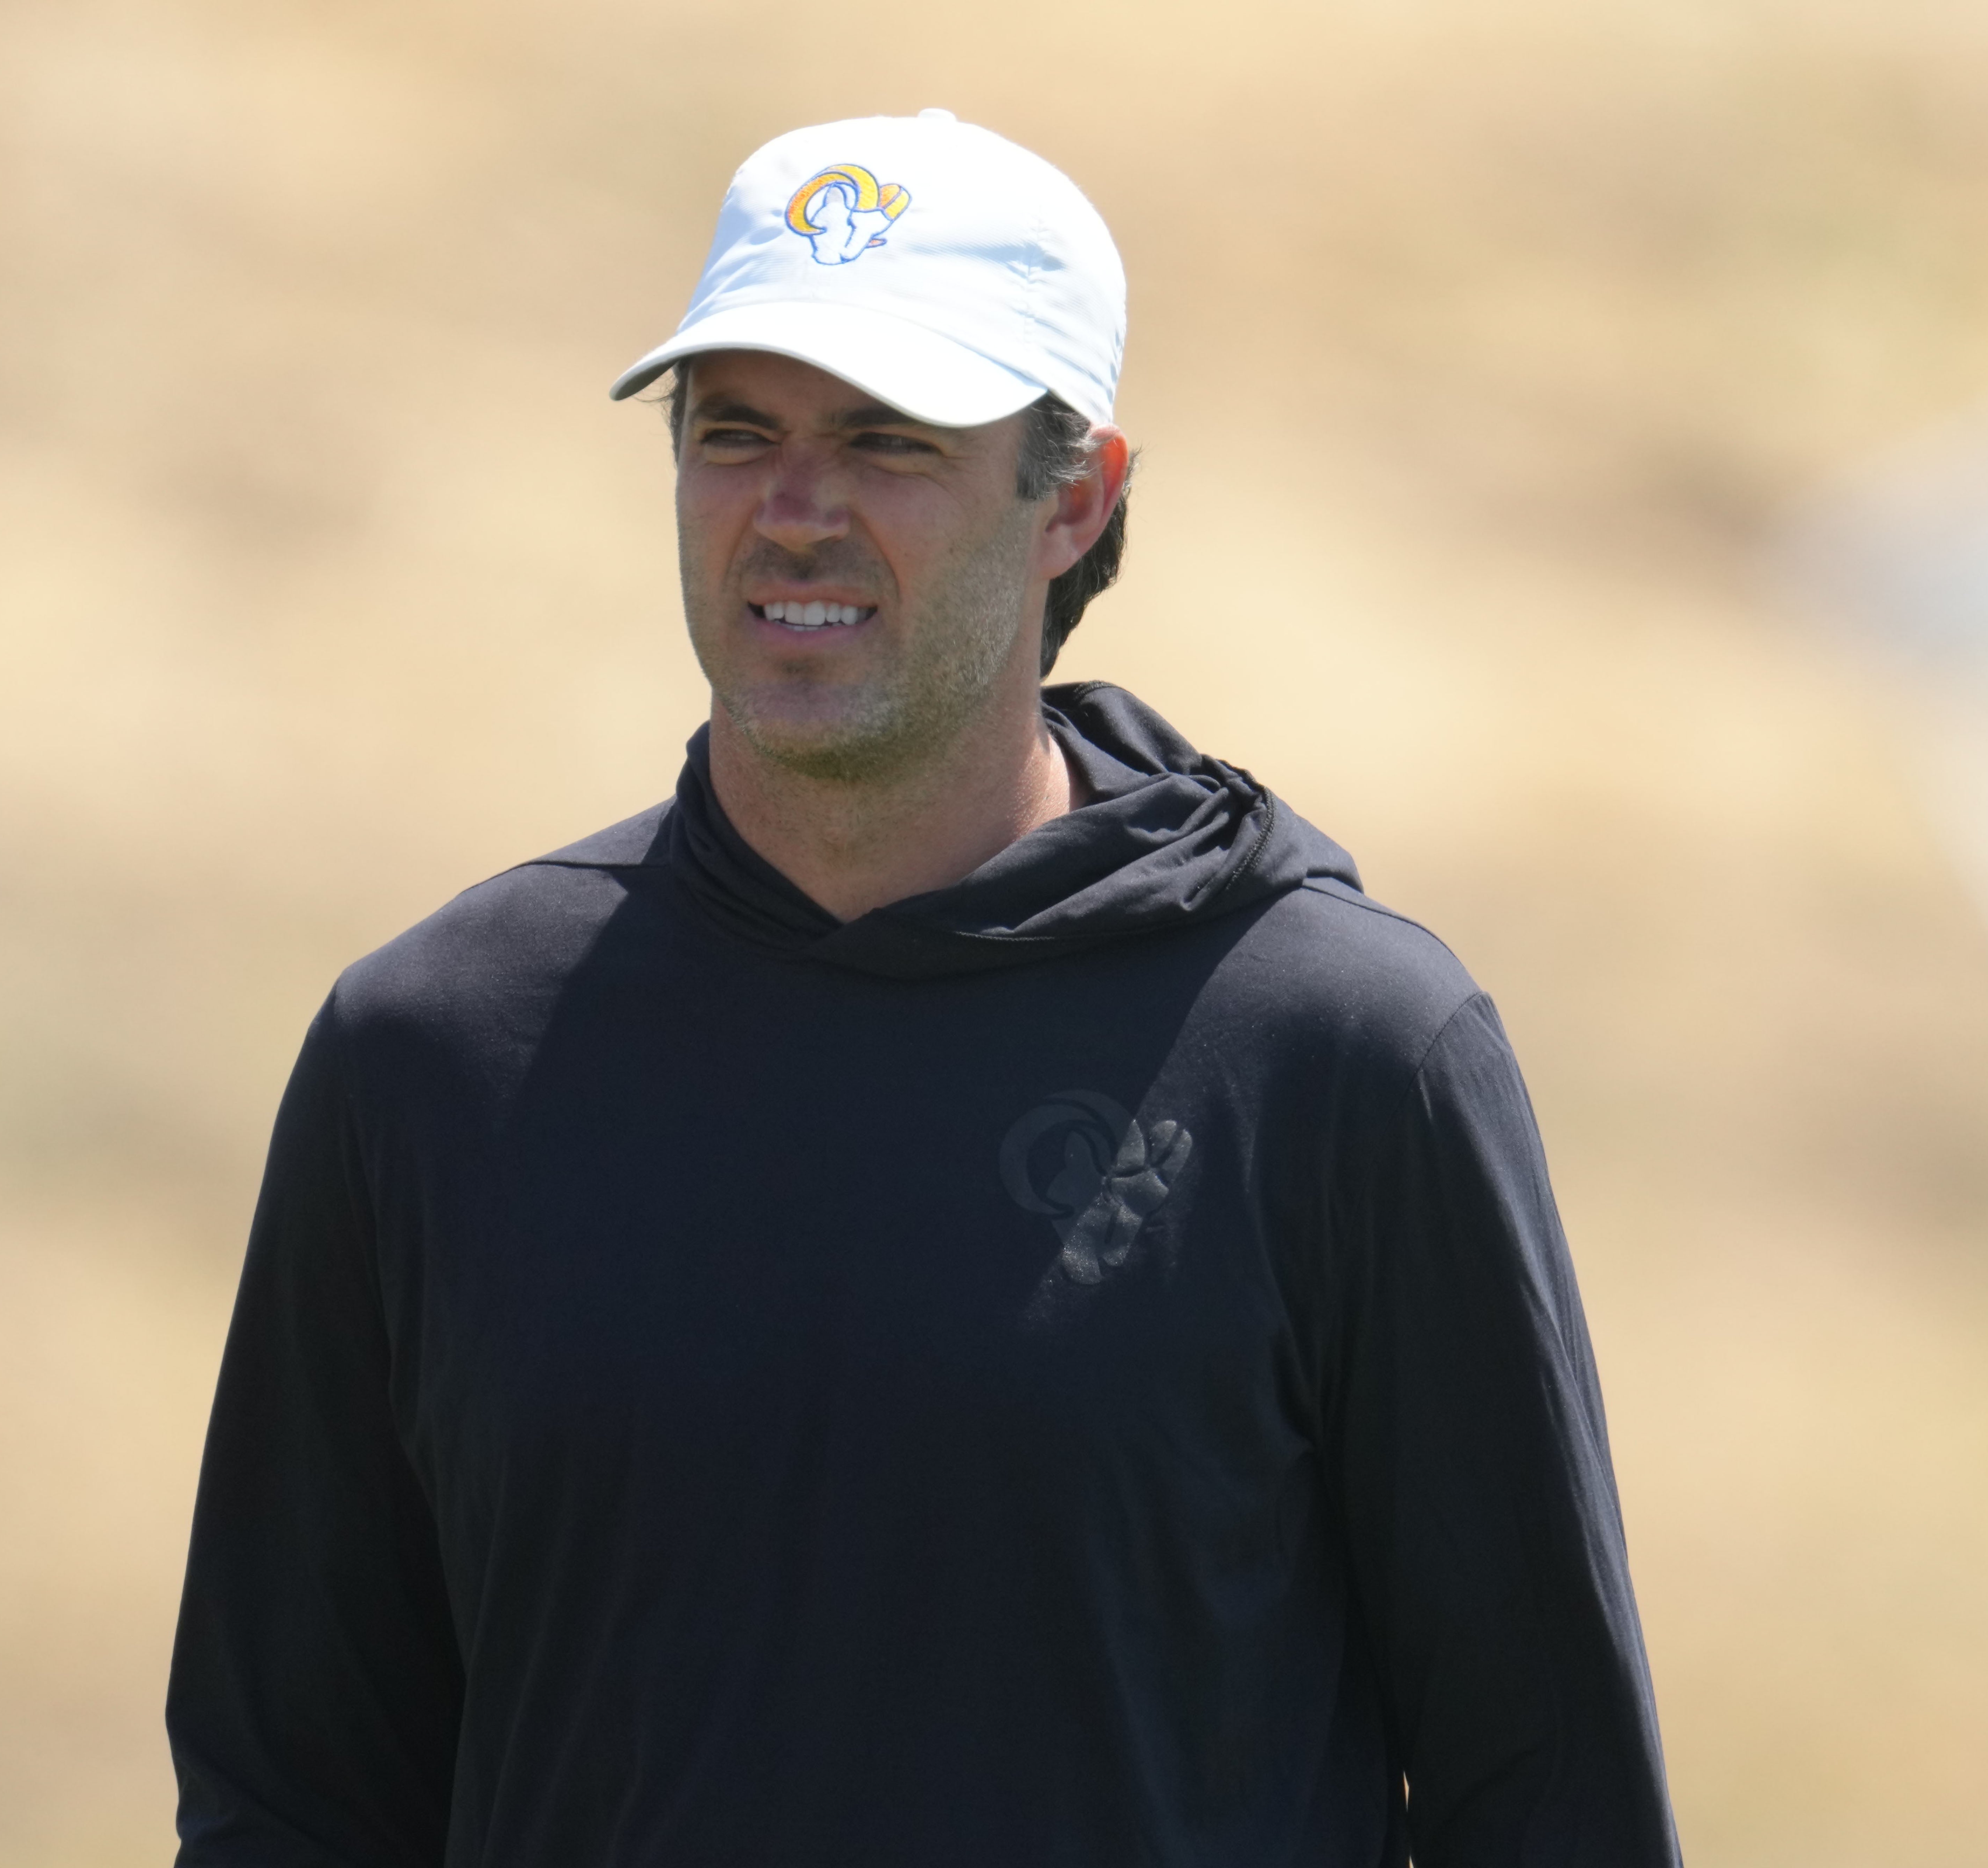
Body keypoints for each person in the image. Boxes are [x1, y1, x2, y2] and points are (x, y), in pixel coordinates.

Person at [166, 110, 1681, 1867]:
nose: (792, 512)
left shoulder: (1342, 1056)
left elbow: (1552, 1807)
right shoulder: (429, 1055)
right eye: (734, 432)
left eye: (887, 442)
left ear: (1080, 499)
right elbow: (290, 1801)